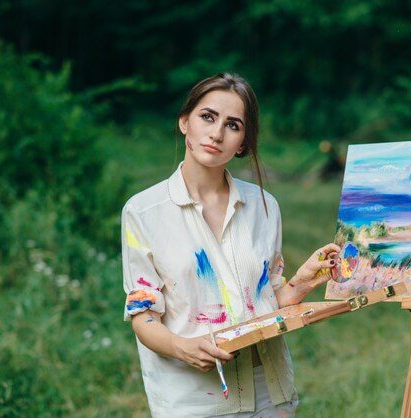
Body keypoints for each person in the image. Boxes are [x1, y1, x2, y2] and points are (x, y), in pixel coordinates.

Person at [122, 72, 340, 418]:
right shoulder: (144, 212)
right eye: (207, 117)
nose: (217, 133)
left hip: (270, 392)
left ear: (242, 143)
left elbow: (265, 304)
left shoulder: (264, 206)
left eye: (233, 125)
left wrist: (301, 282)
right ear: (184, 122)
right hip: (196, 398)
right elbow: (143, 317)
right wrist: (183, 347)